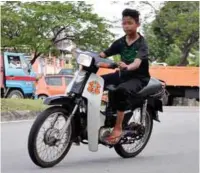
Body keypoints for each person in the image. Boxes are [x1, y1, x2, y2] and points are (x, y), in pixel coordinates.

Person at [99, 9, 150, 144]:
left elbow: (137, 63)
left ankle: (118, 127)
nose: (126, 26)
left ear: (137, 24)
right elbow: (104, 54)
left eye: (130, 23)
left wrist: (128, 66)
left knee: (121, 90)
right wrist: (90, 58)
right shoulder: (120, 42)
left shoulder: (142, 44)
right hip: (122, 74)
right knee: (97, 82)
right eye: (124, 23)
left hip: (138, 78)